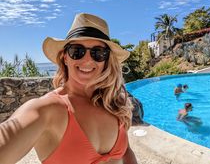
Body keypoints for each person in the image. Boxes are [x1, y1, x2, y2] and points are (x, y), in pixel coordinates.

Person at [0, 13, 137, 164]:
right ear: (65, 57)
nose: (87, 59)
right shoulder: (44, 110)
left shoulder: (114, 103)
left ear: (106, 60)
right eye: (77, 51)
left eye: (98, 53)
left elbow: (126, 152)